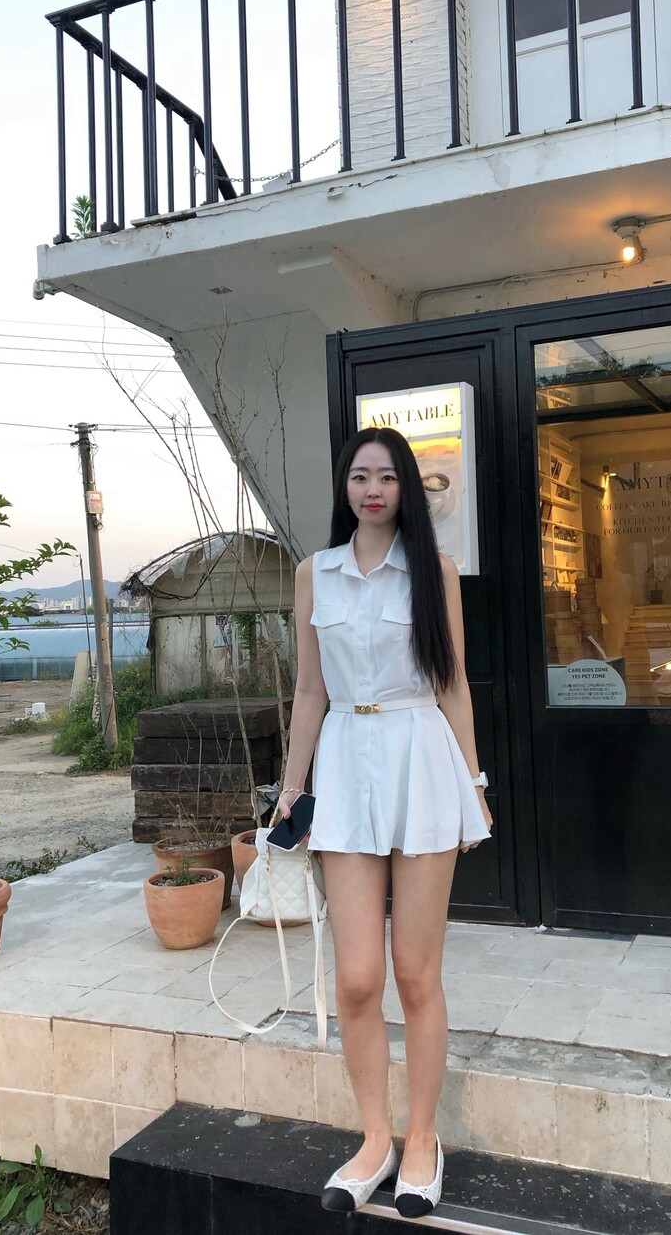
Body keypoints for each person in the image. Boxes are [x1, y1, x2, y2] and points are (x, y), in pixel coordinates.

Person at [277, 426, 493, 1219]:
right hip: (344, 763)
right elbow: (309, 690)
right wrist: (291, 790)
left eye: (388, 477)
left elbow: (453, 683)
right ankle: (375, 1139)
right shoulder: (315, 573)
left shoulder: (435, 571)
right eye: (360, 476)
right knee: (358, 976)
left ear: (406, 488)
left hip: (421, 760)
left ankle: (423, 1138)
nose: (373, 489)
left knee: (415, 971)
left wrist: (474, 783)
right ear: (345, 486)